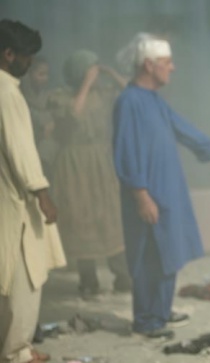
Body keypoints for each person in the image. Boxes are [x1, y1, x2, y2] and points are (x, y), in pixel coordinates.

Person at [112, 33, 210, 339]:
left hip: (166, 189)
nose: (172, 67)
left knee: (168, 252)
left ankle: (161, 311)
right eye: (167, 62)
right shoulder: (129, 101)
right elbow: (126, 151)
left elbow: (183, 129)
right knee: (149, 255)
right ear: (149, 65)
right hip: (148, 191)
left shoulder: (154, 100)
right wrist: (141, 194)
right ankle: (146, 320)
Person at [0, 19, 66, 363]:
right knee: (25, 275)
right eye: (26, 56)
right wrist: (42, 194)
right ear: (9, 54)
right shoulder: (7, 93)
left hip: (8, 197)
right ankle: (15, 353)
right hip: (16, 200)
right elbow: (21, 151)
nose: (29, 63)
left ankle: (17, 345)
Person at [48, 49, 131, 300]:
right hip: (75, 164)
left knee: (110, 215)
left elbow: (131, 91)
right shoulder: (60, 97)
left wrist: (110, 73)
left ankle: (122, 276)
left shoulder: (103, 94)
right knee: (81, 216)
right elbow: (75, 114)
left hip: (100, 161)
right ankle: (88, 280)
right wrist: (86, 83)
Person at [20, 56, 56, 178]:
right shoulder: (20, 95)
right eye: (41, 74)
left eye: (47, 74)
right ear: (30, 74)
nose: (45, 78)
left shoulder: (49, 96)